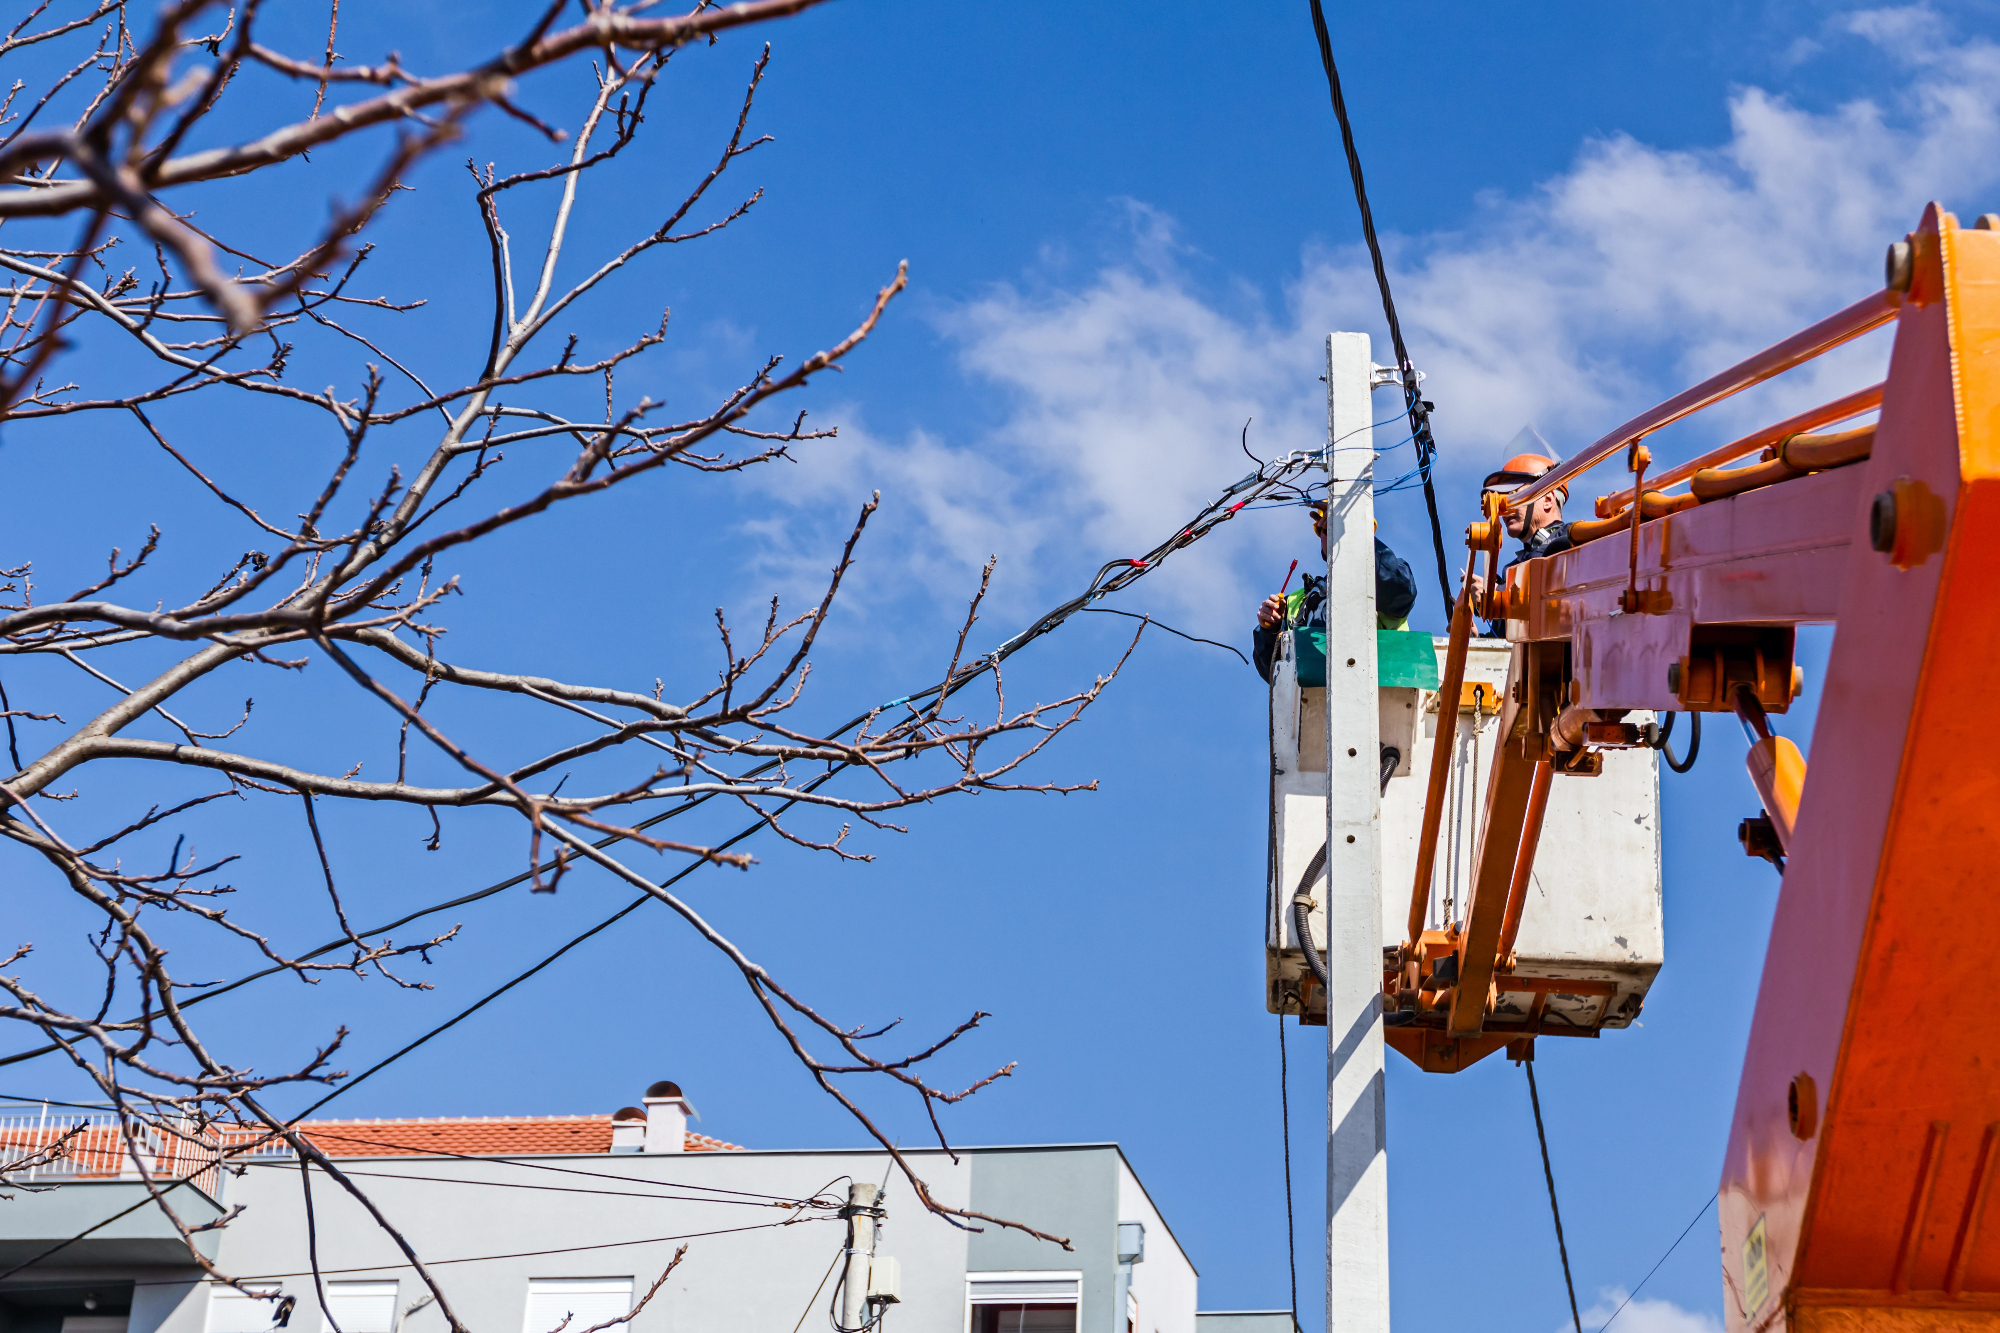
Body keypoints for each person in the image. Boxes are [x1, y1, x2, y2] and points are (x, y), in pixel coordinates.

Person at [1252, 500, 1418, 683]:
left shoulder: (1386, 574)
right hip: (1315, 701)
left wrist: (1352, 528)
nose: (1332, 535)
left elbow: (1397, 592)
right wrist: (1271, 631)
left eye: (1337, 529)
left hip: (1383, 688)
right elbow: (1274, 673)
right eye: (1326, 530)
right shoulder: (1297, 600)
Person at [1470, 451, 1572, 636]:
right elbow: (1509, 644)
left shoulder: (1573, 541)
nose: (1504, 508)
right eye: (1502, 499)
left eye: (1513, 496)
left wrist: (1499, 593)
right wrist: (1478, 640)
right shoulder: (1512, 569)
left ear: (1547, 500)